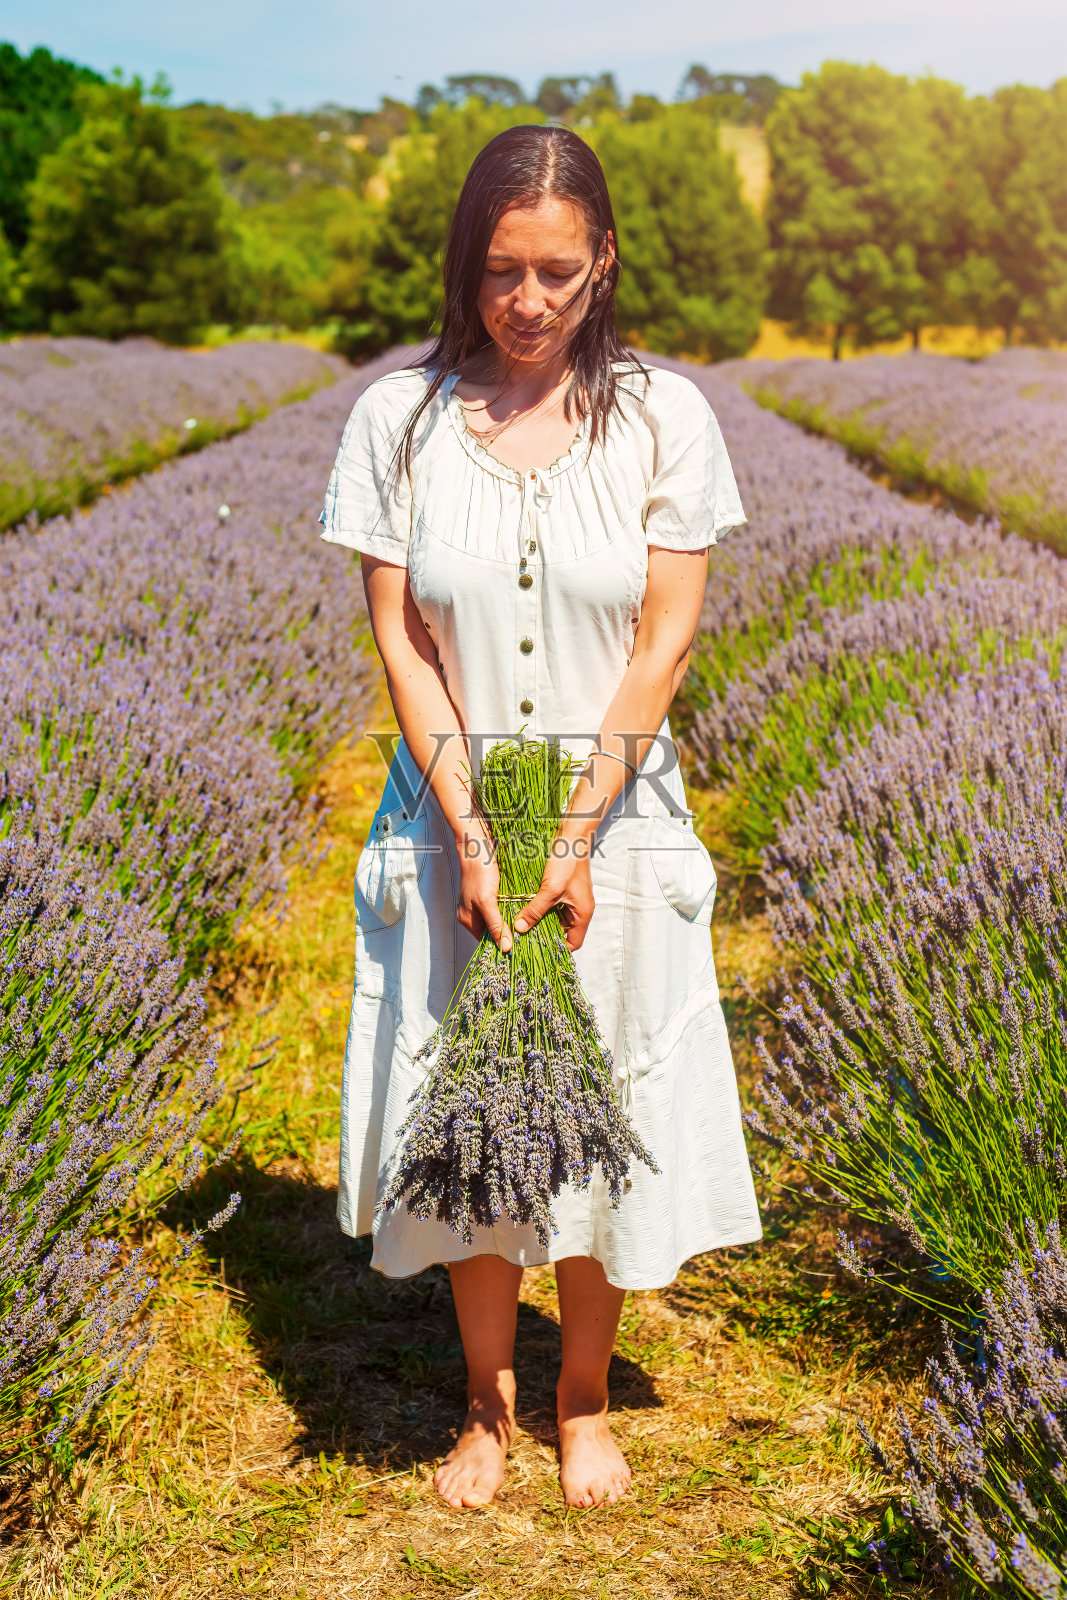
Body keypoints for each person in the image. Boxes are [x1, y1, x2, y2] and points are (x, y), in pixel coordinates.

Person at [319, 124, 761, 1513]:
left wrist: (567, 839)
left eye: (556, 273)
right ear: (470, 262)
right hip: (454, 816)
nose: (526, 300)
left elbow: (664, 644)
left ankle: (581, 1404)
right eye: (502, 270)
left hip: (612, 818)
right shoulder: (394, 420)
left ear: (602, 263)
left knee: (598, 1095)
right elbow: (402, 644)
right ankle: (487, 1411)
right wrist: (471, 830)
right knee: (471, 1107)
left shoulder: (663, 416)